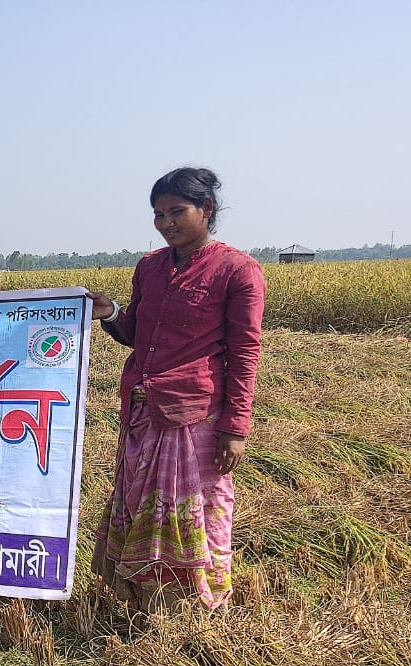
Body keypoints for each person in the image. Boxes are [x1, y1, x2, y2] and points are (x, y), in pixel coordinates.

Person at [88, 167, 264, 612]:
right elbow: (135, 333)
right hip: (143, 413)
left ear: (206, 210)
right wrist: (109, 313)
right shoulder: (149, 267)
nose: (165, 222)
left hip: (194, 415)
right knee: (138, 502)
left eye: (175, 212)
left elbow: (245, 354)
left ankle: (194, 607)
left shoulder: (237, 271)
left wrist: (235, 426)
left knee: (198, 511)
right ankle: (141, 598)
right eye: (158, 214)